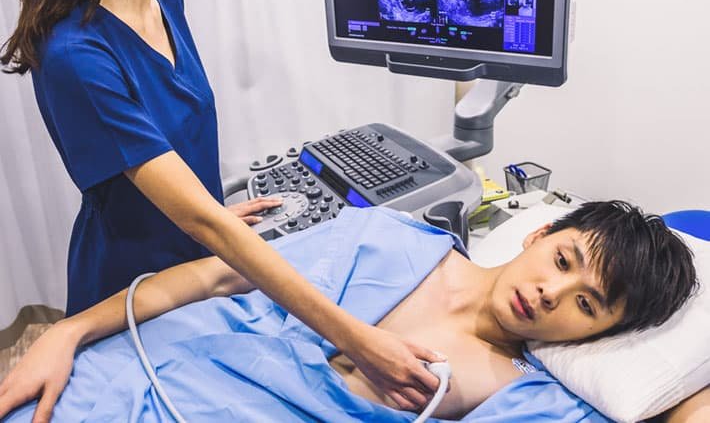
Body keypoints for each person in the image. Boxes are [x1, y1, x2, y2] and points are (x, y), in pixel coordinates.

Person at [0, 0, 444, 412]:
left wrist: (215, 215)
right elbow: (196, 220)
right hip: (132, 287)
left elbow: (180, 166)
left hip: (202, 260)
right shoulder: (78, 54)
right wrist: (360, 341)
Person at [0, 201, 699, 421]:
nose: (552, 292)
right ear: (540, 233)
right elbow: (216, 277)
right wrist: (68, 330)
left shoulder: (532, 397)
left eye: (587, 305)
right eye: (565, 260)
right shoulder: (389, 236)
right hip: (154, 373)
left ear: (601, 335)